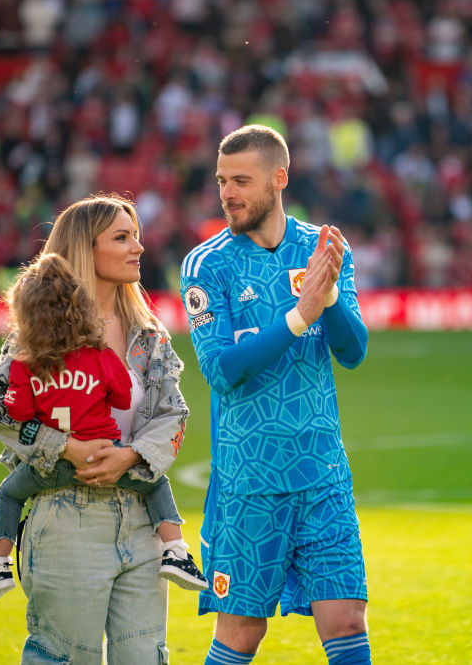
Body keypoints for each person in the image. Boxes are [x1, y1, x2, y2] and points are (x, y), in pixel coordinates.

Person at [180, 124, 371, 665]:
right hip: (250, 482)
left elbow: (353, 351)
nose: (227, 193)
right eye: (221, 181)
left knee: (347, 619)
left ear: (279, 178)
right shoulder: (206, 264)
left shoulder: (324, 249)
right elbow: (221, 370)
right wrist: (298, 316)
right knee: (242, 631)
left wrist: (329, 296)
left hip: (322, 475)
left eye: (241, 180)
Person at [0, 194, 196, 664]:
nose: (138, 246)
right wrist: (66, 448)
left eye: (136, 235)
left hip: (141, 517)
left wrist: (133, 456)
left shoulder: (148, 334)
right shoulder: (37, 332)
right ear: (84, 249)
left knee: (144, 658)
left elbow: (173, 414)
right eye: (122, 237)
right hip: (63, 518)